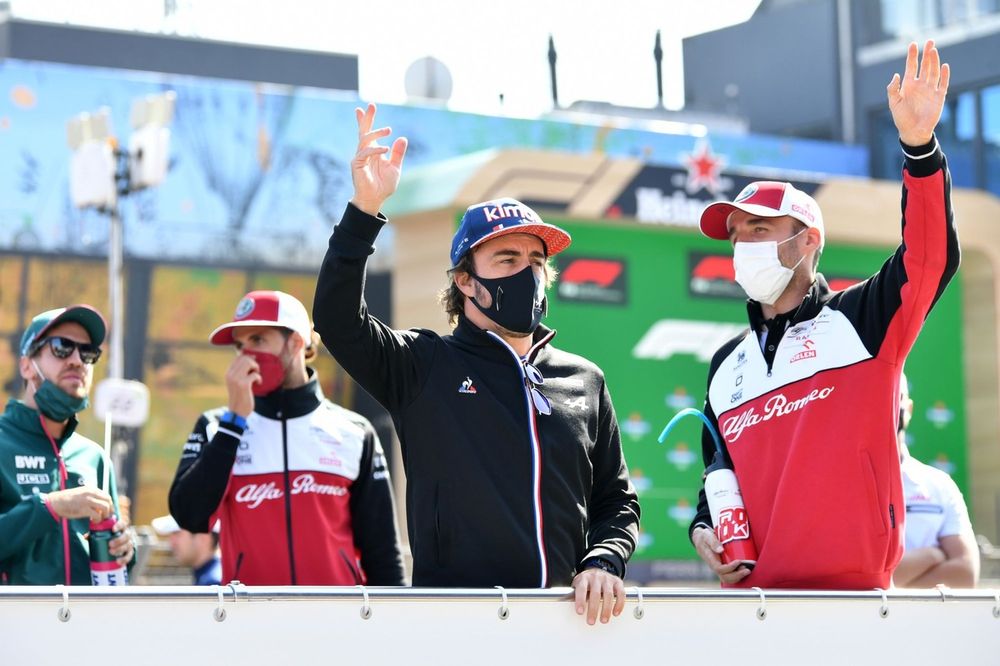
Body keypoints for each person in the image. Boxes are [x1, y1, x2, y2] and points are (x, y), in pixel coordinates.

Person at [313, 104, 640, 625]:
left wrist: (603, 559)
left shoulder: (584, 380)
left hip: (566, 627)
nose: (527, 275)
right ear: (465, 281)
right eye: (507, 261)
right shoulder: (424, 365)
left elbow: (615, 503)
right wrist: (364, 209)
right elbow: (337, 319)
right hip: (454, 627)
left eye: (536, 262)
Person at [688, 40, 959, 589]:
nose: (744, 245)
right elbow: (718, 480)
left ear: (807, 241)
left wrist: (919, 147)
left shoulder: (862, 319)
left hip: (854, 596)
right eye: (737, 235)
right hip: (755, 602)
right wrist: (703, 531)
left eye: (759, 230)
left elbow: (929, 257)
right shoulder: (724, 367)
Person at [168, 290, 405, 586]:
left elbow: (382, 552)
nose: (246, 355)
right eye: (240, 346)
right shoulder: (216, 426)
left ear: (296, 342)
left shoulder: (354, 431)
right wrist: (234, 422)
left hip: (336, 620)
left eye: (258, 340)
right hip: (249, 619)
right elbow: (189, 516)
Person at [0, 305, 134, 584]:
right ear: (26, 365)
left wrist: (124, 551)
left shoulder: (95, 457)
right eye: (62, 347)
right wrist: (49, 507)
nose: (77, 360)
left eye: (88, 353)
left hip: (84, 625)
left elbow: (113, 573)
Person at [894, 376, 979, 587]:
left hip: (931, 620)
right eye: (883, 397)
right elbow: (858, 578)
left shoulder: (939, 484)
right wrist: (932, 555)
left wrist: (897, 589)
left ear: (909, 408)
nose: (890, 404)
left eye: (897, 396)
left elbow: (965, 573)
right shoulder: (845, 486)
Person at [152, 514, 222, 585]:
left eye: (177, 533)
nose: (171, 542)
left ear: (203, 538)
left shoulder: (213, 584)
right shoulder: (207, 578)